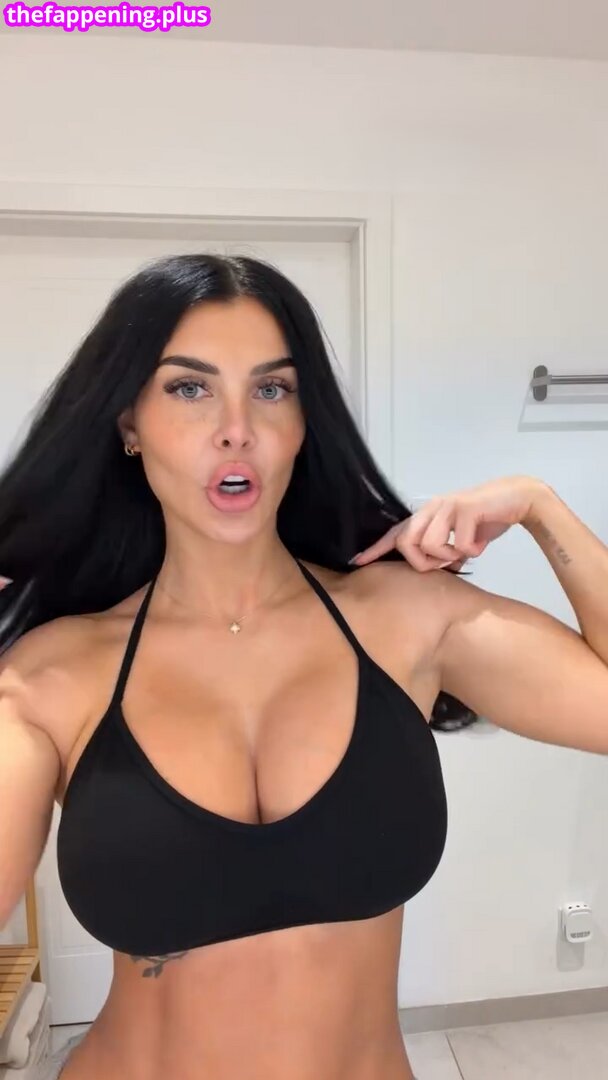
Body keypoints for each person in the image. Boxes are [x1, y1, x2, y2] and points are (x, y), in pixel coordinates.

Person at [3, 254, 607, 1080]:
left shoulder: (408, 621)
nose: (236, 427)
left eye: (272, 388)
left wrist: (541, 506)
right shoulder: (50, 678)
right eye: (189, 387)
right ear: (128, 424)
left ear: (302, 421)